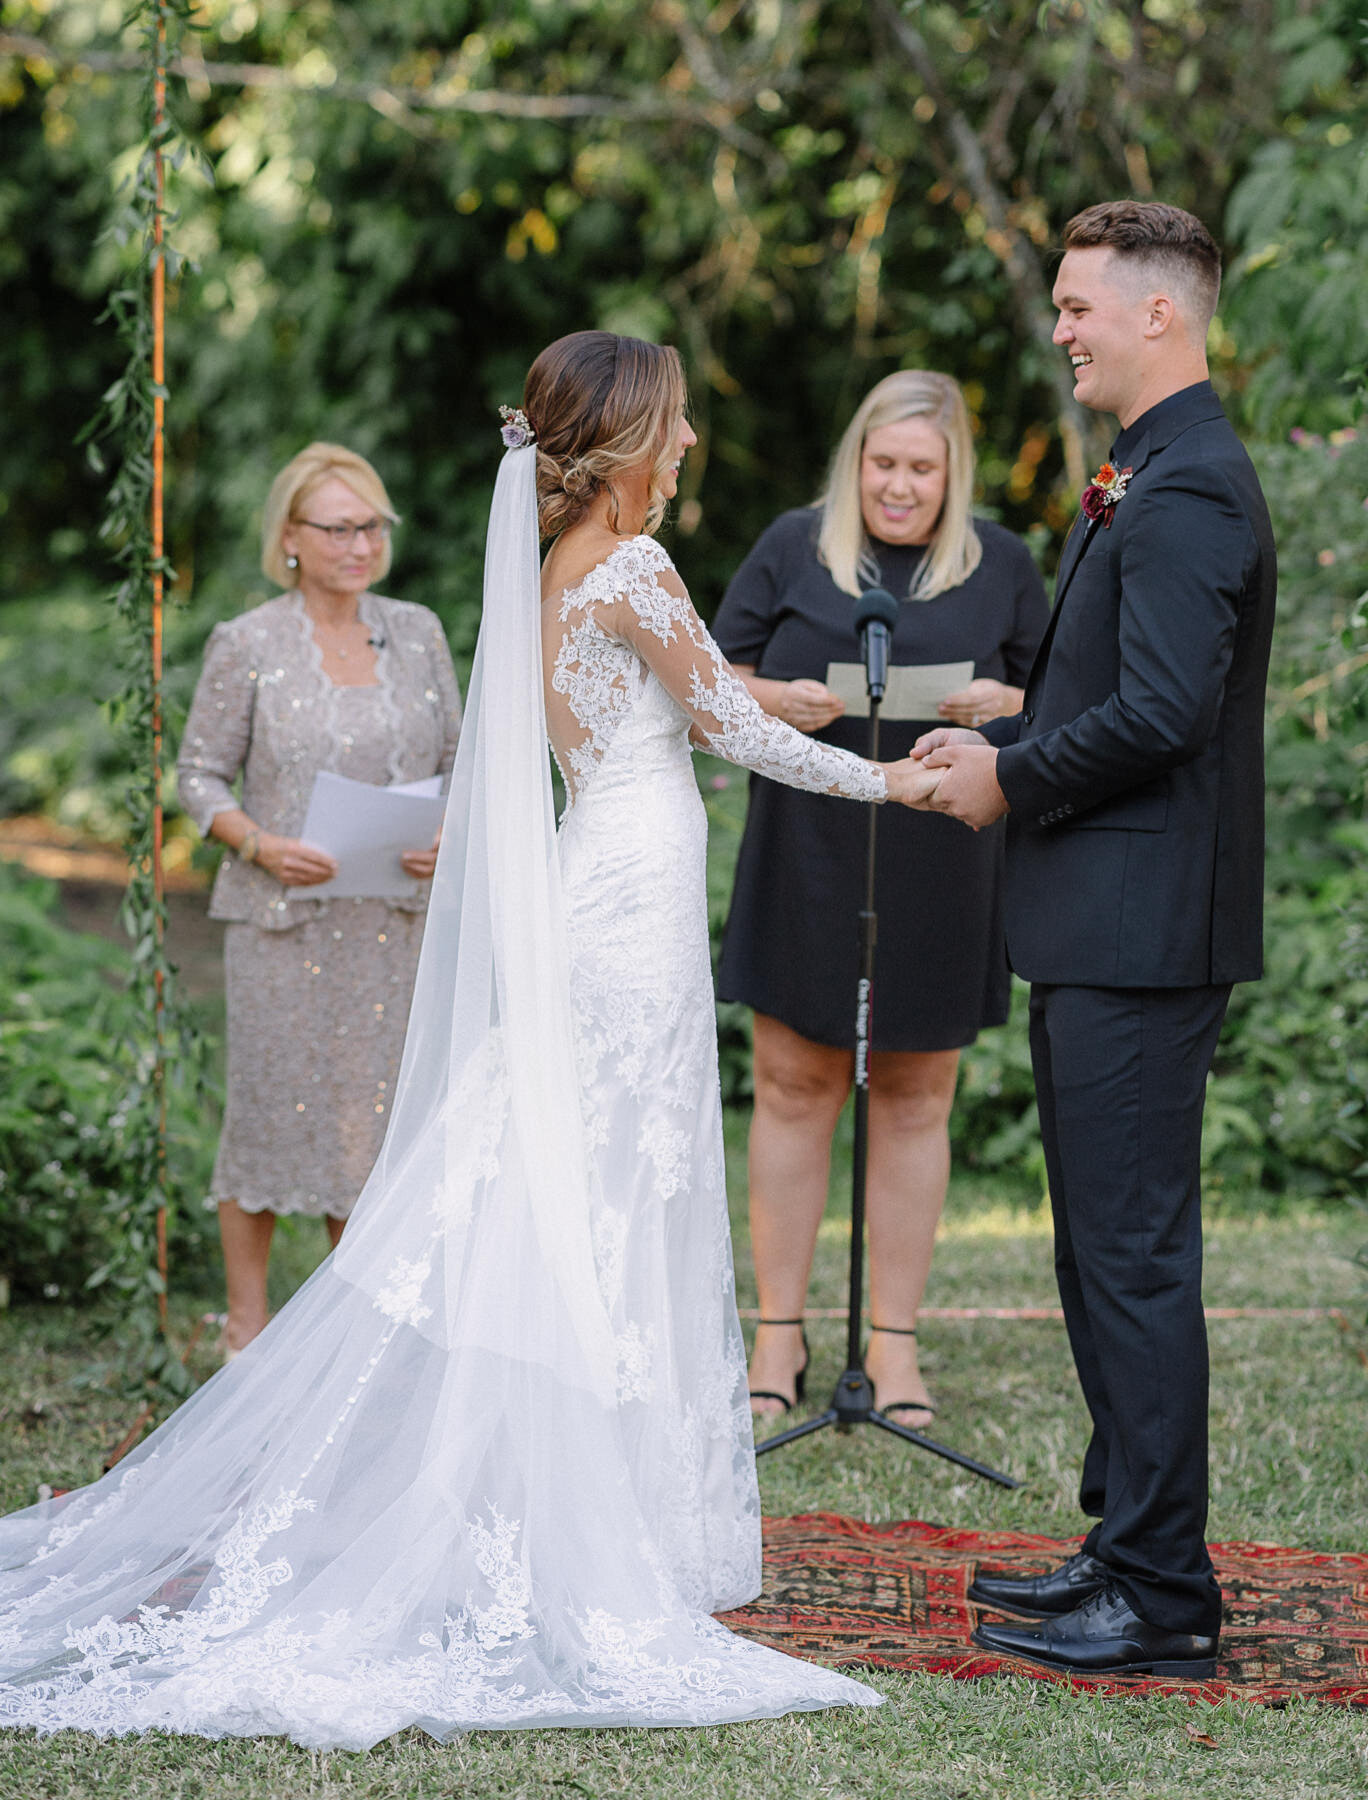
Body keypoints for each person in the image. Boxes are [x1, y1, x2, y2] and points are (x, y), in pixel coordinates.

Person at [0, 333, 938, 1743]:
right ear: (624, 443)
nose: (686, 449)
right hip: (627, 915)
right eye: (674, 429)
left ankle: (570, 1496)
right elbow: (733, 734)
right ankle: (585, 1518)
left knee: (578, 1178)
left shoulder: (555, 576)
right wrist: (894, 786)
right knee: (616, 1185)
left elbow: (677, 712)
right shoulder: (635, 568)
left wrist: (765, 703)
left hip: (606, 889)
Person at [915, 202, 1277, 1678]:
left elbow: (1170, 717)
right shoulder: (1156, 469)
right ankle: (1123, 1546)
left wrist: (1013, 774)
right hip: (1105, 924)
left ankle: (1166, 1604)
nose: (1060, 329)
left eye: (1078, 306)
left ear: (1158, 316)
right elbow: (1131, 693)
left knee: (1130, 1260)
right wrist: (1021, 715)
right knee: (1097, 1255)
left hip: (1140, 930)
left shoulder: (1189, 487)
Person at [711, 371, 1048, 1423]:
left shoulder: (1002, 564)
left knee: (916, 1095)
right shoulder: (793, 545)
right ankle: (779, 1337)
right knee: (792, 1085)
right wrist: (778, 699)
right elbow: (708, 679)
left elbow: (1071, 701)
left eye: (921, 468)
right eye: (884, 463)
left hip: (941, 855)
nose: (899, 486)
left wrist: (1008, 705)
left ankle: (894, 1346)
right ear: (855, 461)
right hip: (808, 846)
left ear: (954, 476)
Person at [177, 443, 462, 1356]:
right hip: (281, 922)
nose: (360, 542)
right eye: (338, 527)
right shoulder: (247, 643)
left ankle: (357, 1333)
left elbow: (462, 761)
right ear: (290, 538)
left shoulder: (417, 631)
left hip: (394, 926)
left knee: (376, 1129)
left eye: (372, 524)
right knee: (266, 1116)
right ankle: (247, 1328)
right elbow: (198, 775)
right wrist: (257, 842)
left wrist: (451, 826)